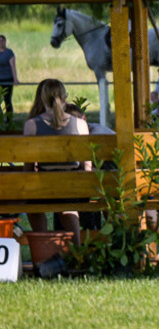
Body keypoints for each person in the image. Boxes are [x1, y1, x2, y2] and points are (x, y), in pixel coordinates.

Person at [23, 79, 90, 244]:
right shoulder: (80, 124)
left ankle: (45, 249)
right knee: (68, 204)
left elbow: (28, 169)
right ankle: (77, 250)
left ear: (42, 98)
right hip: (74, 191)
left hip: (44, 191)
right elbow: (86, 166)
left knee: (33, 204)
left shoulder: (32, 125)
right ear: (64, 97)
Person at [0, 35, 18, 125]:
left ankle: (9, 120)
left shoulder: (9, 53)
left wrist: (15, 79)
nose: (1, 43)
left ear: (5, 42)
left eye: (2, 41)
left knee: (7, 100)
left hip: (7, 79)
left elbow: (13, 67)